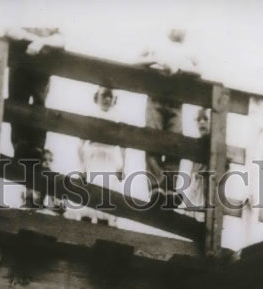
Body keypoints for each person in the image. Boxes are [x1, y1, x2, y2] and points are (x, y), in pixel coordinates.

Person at [136, 28, 200, 204]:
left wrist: (179, 69)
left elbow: (199, 70)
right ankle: (156, 186)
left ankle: (169, 188)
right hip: (156, 97)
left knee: (175, 144)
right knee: (152, 139)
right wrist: (156, 61)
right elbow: (135, 60)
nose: (178, 30)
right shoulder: (155, 43)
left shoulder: (189, 50)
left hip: (176, 102)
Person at [6, 26, 66, 208]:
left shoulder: (51, 22)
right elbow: (10, 30)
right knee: (17, 105)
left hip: (40, 65)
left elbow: (61, 40)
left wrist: (41, 41)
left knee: (39, 107)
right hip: (21, 63)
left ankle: (36, 149)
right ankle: (21, 147)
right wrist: (34, 39)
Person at [75, 86, 125, 224]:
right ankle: (86, 225)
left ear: (115, 99)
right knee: (90, 192)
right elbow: (80, 145)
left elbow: (123, 146)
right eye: (104, 95)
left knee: (107, 196)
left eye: (111, 96)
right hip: (93, 156)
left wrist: (122, 167)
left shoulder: (118, 119)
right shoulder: (91, 117)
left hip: (110, 158)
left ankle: (105, 226)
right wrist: (82, 167)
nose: (107, 99)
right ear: (96, 97)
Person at [180, 107, 210, 220]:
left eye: (205, 119)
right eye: (199, 120)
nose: (202, 122)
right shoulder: (197, 144)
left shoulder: (213, 143)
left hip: (208, 183)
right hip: (197, 183)